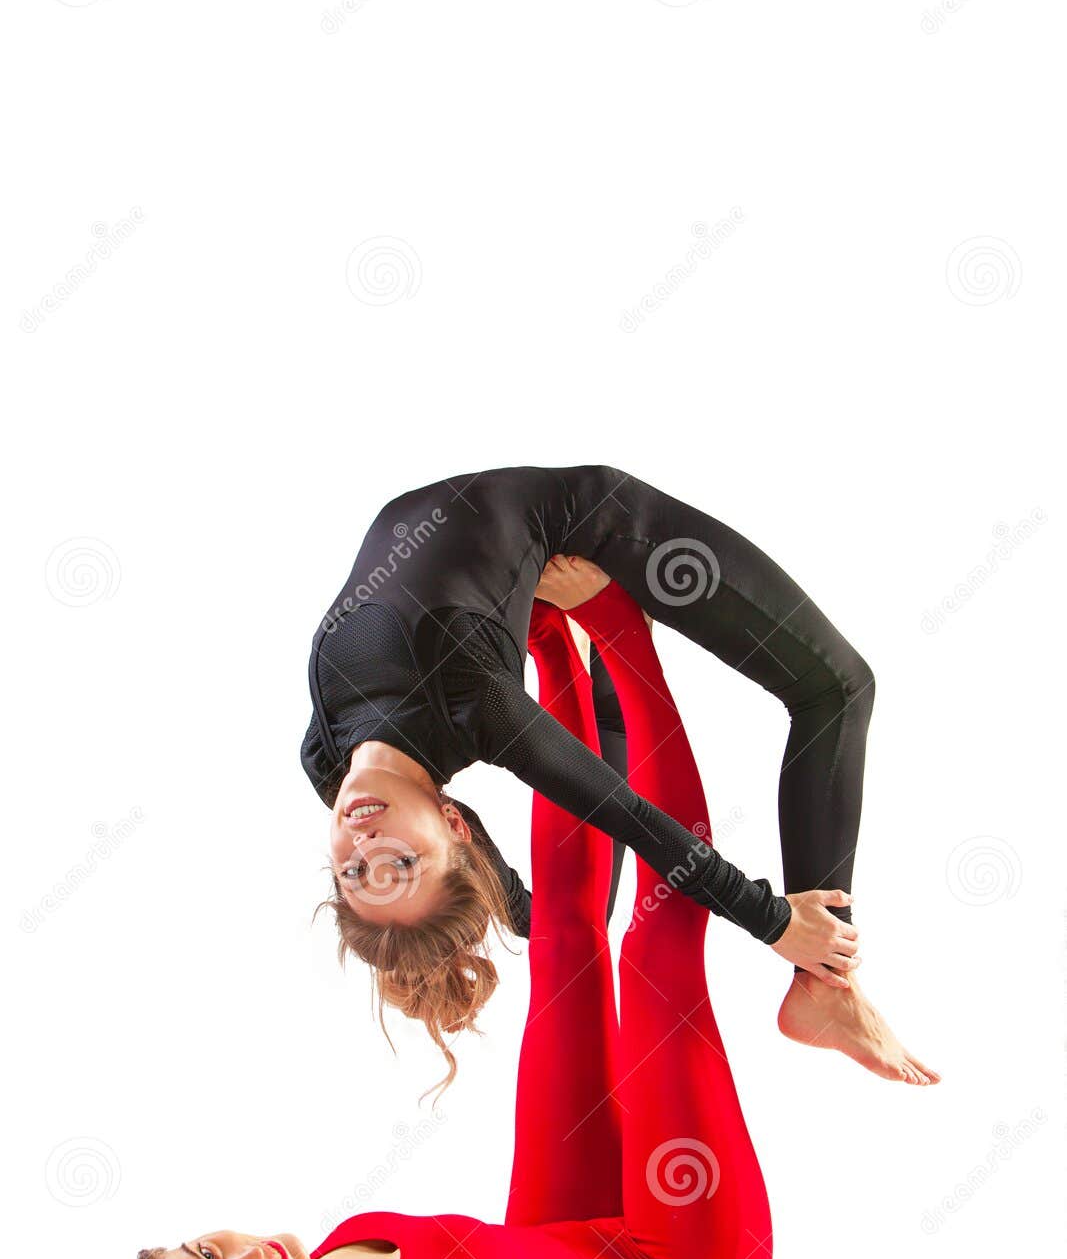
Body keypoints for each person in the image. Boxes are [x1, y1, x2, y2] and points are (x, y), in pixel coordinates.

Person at [74, 591, 991, 1259]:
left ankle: (550, 640)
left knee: (562, 941)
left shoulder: (326, 1256)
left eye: (203, 1252)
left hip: (564, 1246)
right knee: (654, 954)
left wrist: (536, 635)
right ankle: (619, 629)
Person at [303, 466, 936, 1087]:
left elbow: (620, 825)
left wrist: (775, 923)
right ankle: (827, 985)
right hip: (538, 534)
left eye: (356, 873)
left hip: (575, 518)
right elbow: (617, 817)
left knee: (839, 688)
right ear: (452, 823)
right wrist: (768, 922)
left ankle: (826, 988)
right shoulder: (435, 729)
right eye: (403, 865)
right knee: (559, 911)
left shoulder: (414, 717)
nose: (367, 845)